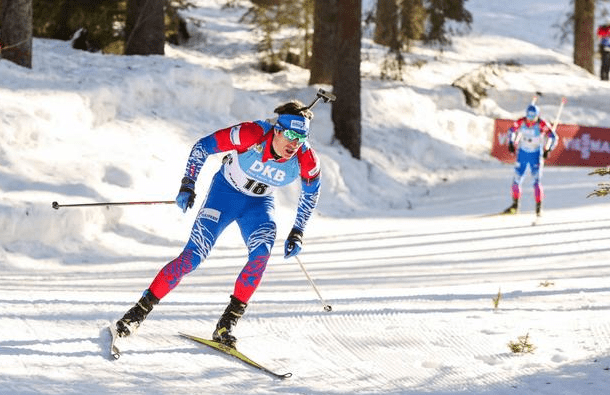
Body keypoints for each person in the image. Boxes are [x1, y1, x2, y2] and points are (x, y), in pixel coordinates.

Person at [114, 100, 321, 347]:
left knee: (261, 255)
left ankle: (226, 324)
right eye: (290, 134)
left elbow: (311, 194)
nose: (294, 144)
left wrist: (297, 231)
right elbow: (203, 146)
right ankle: (136, 314)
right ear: (277, 129)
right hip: (224, 195)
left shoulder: (306, 158)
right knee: (193, 256)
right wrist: (188, 183)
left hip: (258, 205)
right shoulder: (251, 134)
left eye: (301, 137)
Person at [503, 103, 557, 216]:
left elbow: (552, 136)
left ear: (537, 115)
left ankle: (538, 208)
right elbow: (511, 130)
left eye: (533, 117)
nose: (530, 120)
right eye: (529, 117)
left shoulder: (541, 124)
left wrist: (548, 149)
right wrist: (511, 142)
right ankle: (515, 206)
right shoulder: (521, 121)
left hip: (535, 155)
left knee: (536, 182)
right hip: (522, 154)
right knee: (516, 181)